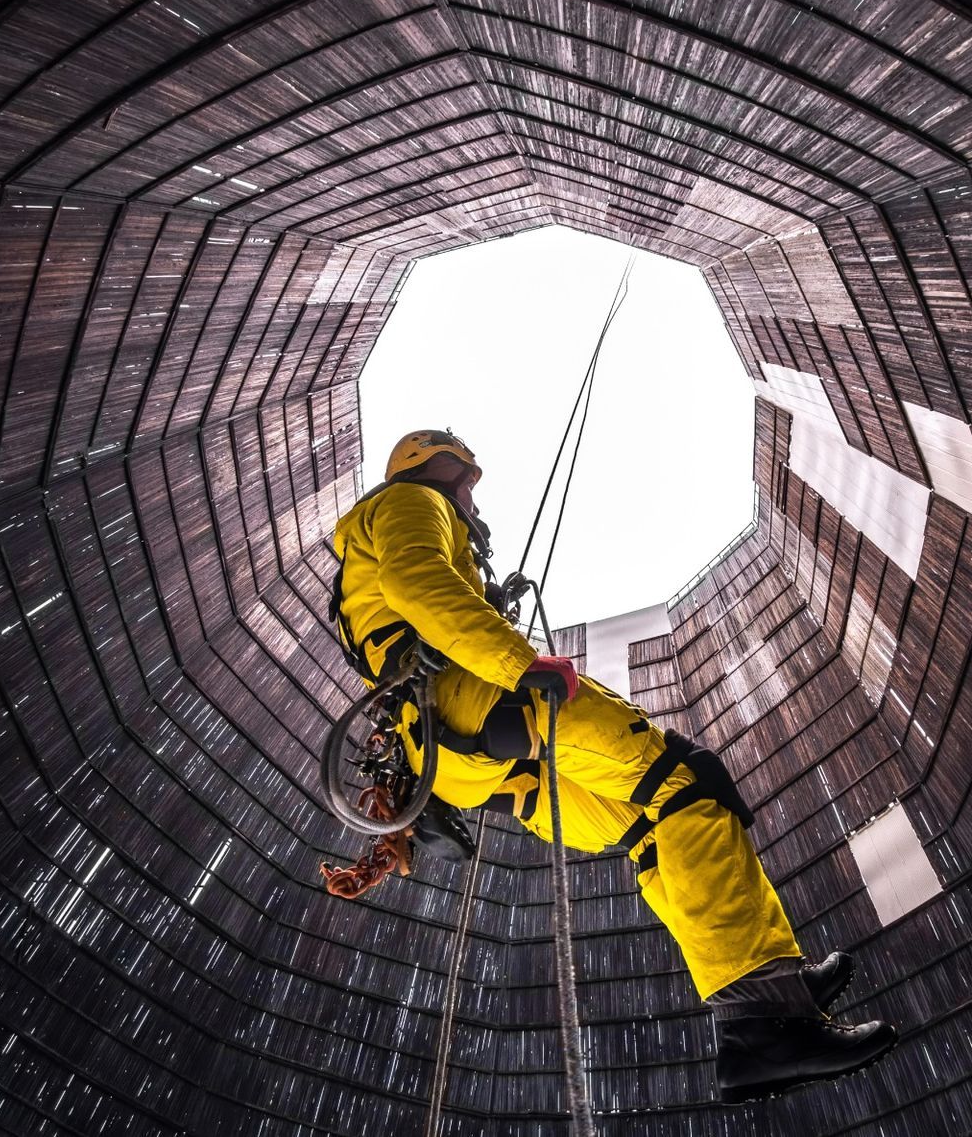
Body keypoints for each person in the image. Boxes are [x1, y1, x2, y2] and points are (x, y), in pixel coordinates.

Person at [326, 429, 897, 1104]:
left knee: (653, 827)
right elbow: (418, 582)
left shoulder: (386, 533)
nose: (471, 495)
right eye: (465, 480)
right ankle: (769, 1022)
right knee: (686, 782)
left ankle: (763, 995)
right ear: (435, 466)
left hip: (452, 752)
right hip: (473, 698)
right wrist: (520, 662)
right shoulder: (411, 501)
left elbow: (409, 599)